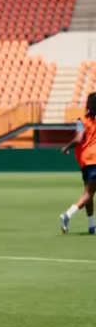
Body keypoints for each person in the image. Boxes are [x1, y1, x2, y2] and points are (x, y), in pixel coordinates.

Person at [60, 93, 96, 234]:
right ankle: (67, 215)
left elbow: (78, 139)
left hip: (85, 161)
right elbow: (78, 138)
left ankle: (92, 225)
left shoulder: (82, 121)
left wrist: (66, 148)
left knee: (89, 192)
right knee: (88, 193)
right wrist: (67, 147)